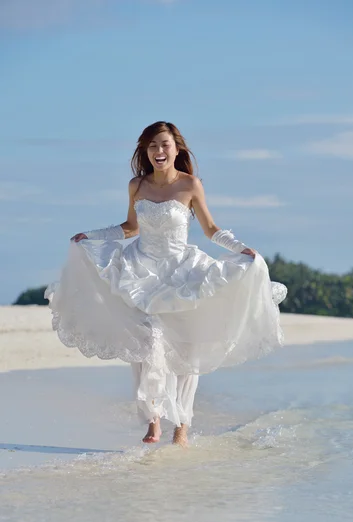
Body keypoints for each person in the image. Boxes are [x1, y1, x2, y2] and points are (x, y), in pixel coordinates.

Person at [45, 121, 287, 447]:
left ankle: (182, 425)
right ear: (146, 152)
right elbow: (130, 227)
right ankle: (153, 419)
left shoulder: (190, 185)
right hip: (141, 269)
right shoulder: (137, 185)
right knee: (147, 340)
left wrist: (241, 249)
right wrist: (92, 236)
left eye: (164, 145)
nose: (159, 151)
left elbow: (211, 229)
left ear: (177, 149)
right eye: (153, 146)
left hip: (182, 270)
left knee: (188, 347)